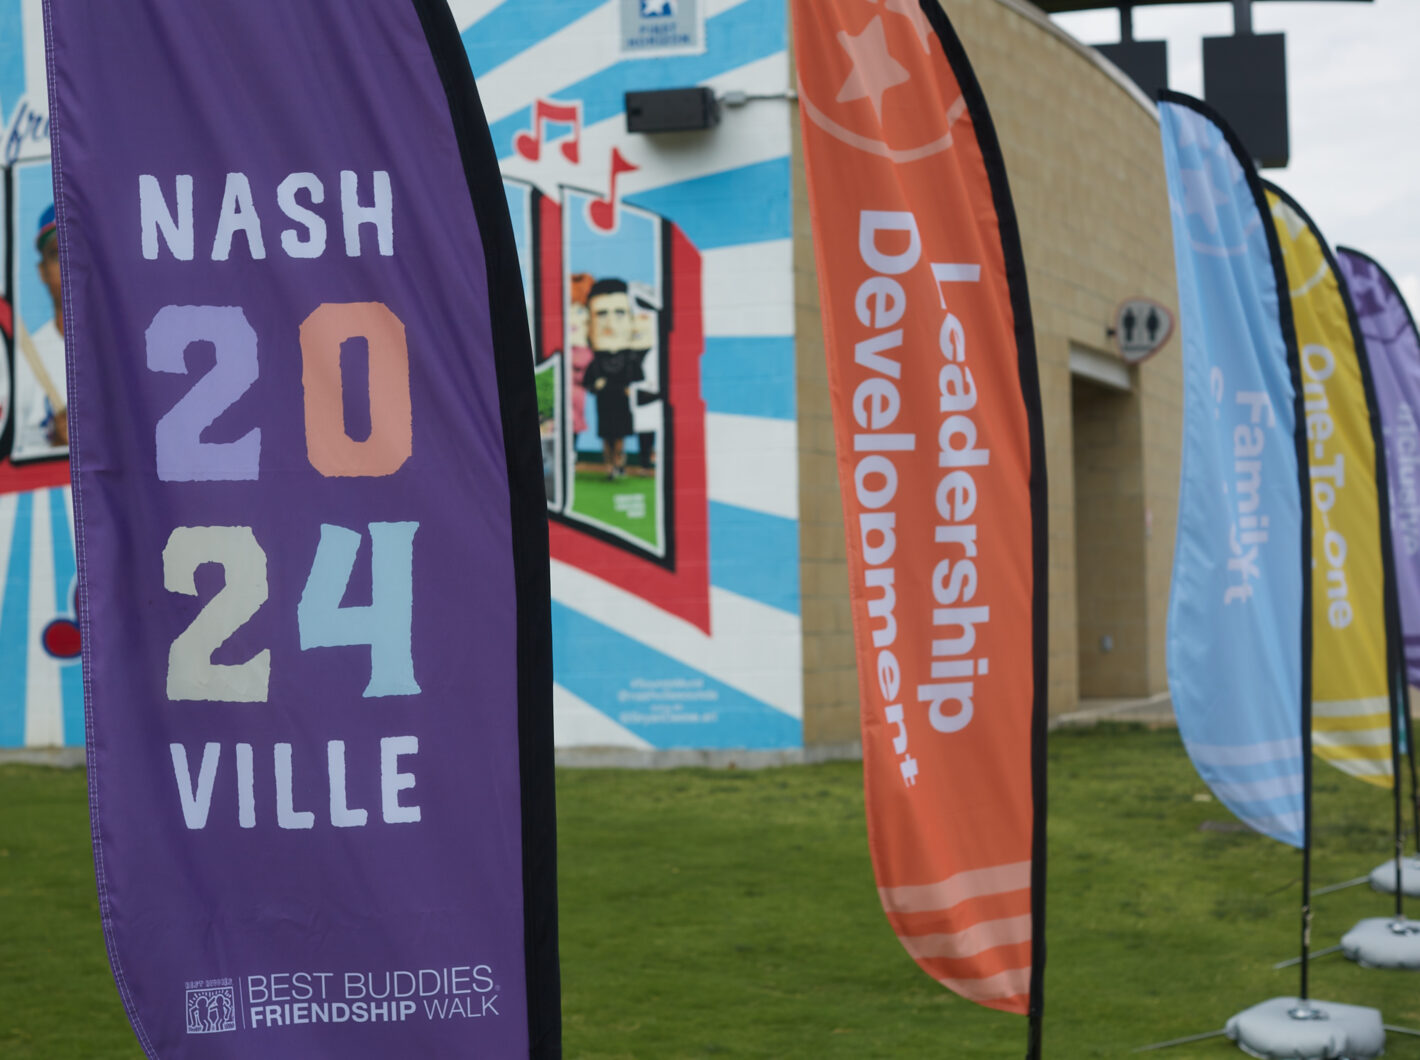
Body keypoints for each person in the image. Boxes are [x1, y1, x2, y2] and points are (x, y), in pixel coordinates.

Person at [16, 204, 67, 456]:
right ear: (42, 272)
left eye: (79, 251)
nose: (70, 265)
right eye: (58, 255)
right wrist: (52, 439)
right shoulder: (22, 359)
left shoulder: (130, 347)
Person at [581, 277, 643, 479]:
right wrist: (595, 386)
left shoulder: (630, 359)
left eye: (619, 313)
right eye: (601, 314)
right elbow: (588, 383)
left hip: (621, 402)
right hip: (605, 403)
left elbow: (639, 380)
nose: (610, 323)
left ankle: (619, 464)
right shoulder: (597, 361)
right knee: (606, 437)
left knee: (620, 437)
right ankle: (609, 466)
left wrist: (630, 390)